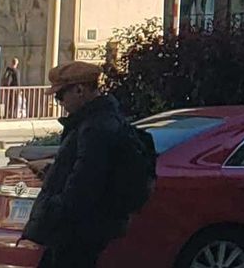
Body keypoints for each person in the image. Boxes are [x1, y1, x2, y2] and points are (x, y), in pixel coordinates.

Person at [21, 62, 155, 268]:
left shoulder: (95, 128)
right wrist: (51, 171)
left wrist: (54, 209)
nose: (60, 103)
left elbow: (84, 182)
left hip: (78, 230)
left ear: (79, 90)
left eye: (60, 96)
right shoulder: (99, 121)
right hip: (83, 228)